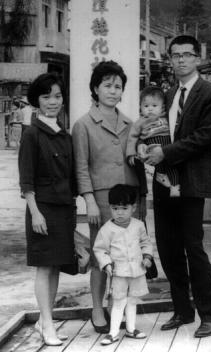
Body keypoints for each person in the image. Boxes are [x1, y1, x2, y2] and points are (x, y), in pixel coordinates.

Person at [145, 35, 211, 338]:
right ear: (170, 59)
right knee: (167, 247)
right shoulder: (165, 95)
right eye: (175, 55)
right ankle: (182, 309)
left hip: (193, 181)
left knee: (193, 246)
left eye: (186, 55)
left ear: (197, 58)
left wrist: (165, 152)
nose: (180, 60)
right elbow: (156, 130)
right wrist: (146, 148)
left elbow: (206, 136)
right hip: (164, 180)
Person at [72, 60, 147, 334]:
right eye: (107, 85)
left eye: (118, 86)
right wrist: (89, 199)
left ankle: (124, 307)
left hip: (130, 199)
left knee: (129, 255)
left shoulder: (130, 124)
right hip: (101, 202)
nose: (113, 91)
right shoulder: (83, 125)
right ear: (95, 88)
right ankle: (96, 308)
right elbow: (81, 166)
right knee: (100, 257)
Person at [18, 73, 77, 346]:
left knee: (55, 268)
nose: (52, 102)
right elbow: (26, 178)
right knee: (44, 268)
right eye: (46, 96)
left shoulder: (64, 134)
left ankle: (45, 321)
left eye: (57, 96)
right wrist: (36, 212)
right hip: (42, 209)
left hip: (64, 209)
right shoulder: (31, 134)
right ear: (36, 101)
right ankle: (48, 324)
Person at [93, 184, 153, 345]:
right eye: (115, 208)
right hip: (118, 272)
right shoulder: (107, 229)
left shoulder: (138, 225)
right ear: (110, 208)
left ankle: (131, 329)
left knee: (132, 300)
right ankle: (113, 333)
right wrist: (106, 264)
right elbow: (99, 250)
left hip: (137, 271)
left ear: (133, 208)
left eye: (124, 208)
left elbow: (146, 243)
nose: (119, 212)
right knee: (118, 302)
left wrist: (147, 256)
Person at [126, 85, 180, 196]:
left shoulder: (166, 117)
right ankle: (161, 175)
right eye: (146, 106)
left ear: (162, 107)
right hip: (152, 145)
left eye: (154, 105)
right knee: (159, 164)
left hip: (167, 145)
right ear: (140, 107)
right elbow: (132, 137)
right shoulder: (140, 122)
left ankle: (175, 186)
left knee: (173, 165)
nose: (150, 109)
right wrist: (131, 153)